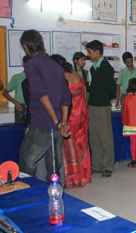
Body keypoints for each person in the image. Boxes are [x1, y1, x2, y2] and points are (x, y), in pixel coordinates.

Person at [18, 30, 71, 183]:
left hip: (42, 123)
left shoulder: (31, 64)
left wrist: (56, 122)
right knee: (54, 168)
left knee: (26, 164)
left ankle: (30, 198)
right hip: (57, 126)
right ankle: (54, 198)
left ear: (25, 47)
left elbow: (41, 95)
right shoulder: (56, 66)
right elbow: (65, 98)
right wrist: (63, 123)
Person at [51, 54, 91, 189]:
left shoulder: (62, 77)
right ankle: (83, 176)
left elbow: (63, 99)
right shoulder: (76, 74)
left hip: (71, 114)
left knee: (69, 147)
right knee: (82, 145)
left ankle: (72, 179)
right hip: (83, 113)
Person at [86, 40, 117, 177]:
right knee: (94, 138)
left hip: (103, 106)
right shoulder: (93, 68)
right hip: (92, 106)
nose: (88, 55)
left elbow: (112, 88)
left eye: (90, 52)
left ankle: (108, 166)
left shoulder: (106, 67)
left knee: (106, 138)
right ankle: (96, 165)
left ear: (97, 52)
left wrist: (106, 99)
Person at [2, 55, 30, 123]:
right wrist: (16, 103)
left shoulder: (36, 78)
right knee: (19, 129)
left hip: (32, 107)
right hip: (20, 107)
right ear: (23, 64)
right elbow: (5, 92)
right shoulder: (17, 77)